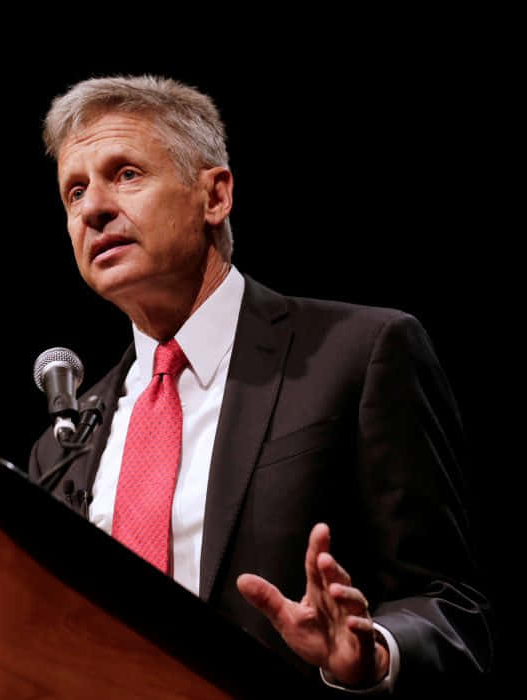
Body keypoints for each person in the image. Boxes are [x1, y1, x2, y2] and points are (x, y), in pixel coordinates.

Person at [28, 75, 492, 694]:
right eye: (75, 191)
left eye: (127, 174)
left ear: (215, 196)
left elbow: (447, 602)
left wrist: (372, 655)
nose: (94, 208)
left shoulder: (359, 355)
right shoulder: (63, 448)